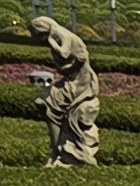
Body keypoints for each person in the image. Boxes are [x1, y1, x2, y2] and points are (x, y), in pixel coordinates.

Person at [31, 14, 100, 167]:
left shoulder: (59, 33)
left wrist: (51, 41)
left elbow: (64, 53)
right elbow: (66, 66)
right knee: (46, 103)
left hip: (80, 81)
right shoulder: (58, 35)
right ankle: (58, 150)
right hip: (74, 78)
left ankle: (58, 151)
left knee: (46, 102)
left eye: (40, 37)